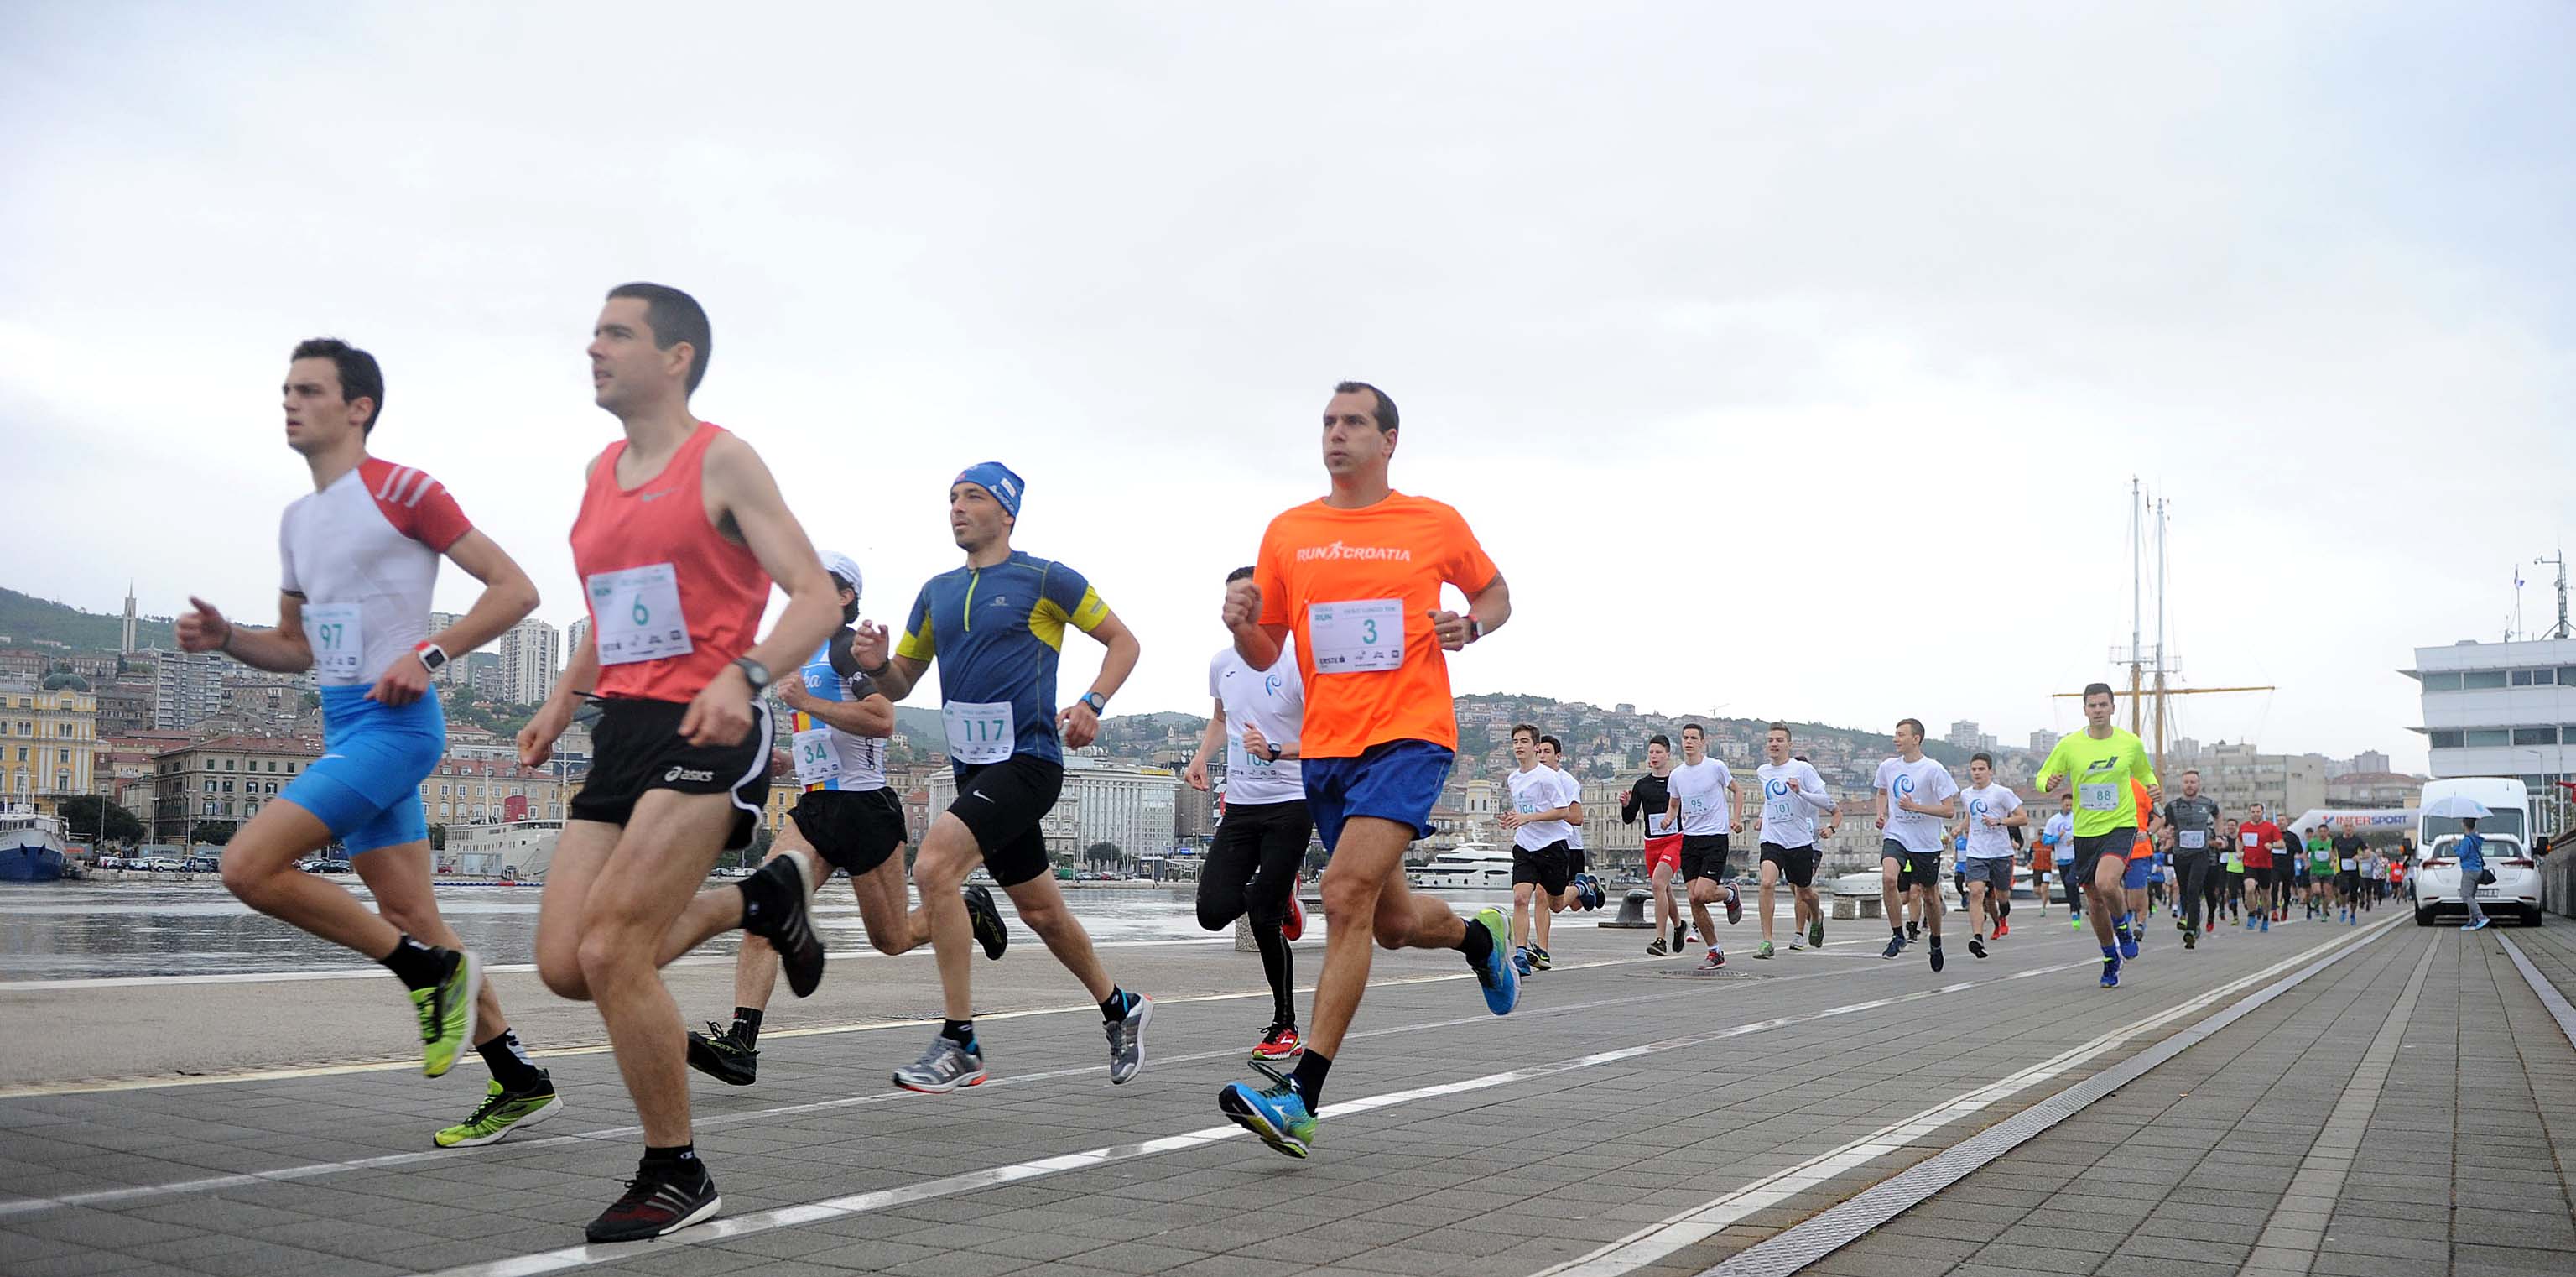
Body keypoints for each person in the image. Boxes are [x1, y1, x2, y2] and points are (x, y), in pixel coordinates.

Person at [518, 284, 845, 1241]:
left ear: (677, 358)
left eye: (616, 333)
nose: (594, 347)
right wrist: (557, 700)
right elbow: (611, 613)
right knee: (564, 963)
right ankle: (761, 901)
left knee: (614, 944)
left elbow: (815, 598)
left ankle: (676, 1169)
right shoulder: (597, 473)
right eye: (593, 332)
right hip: (621, 729)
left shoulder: (723, 460)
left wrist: (745, 676)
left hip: (711, 727)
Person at [181, 336, 559, 1150]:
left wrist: (429, 656)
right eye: (284, 389)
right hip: (344, 724)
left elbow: (517, 589)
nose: (289, 402)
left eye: (308, 390)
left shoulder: (406, 489)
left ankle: (425, 975)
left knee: (247, 865)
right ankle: (519, 1078)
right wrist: (226, 640)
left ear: (358, 409)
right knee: (412, 911)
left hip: (397, 730)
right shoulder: (296, 523)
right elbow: (294, 647)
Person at [1215, 380, 1517, 1160]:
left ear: (1387, 440)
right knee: (1386, 923)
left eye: (1352, 422)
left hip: (1410, 735)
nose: (1335, 434)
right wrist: (1246, 625)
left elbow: (1494, 590)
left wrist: (1471, 624)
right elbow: (1266, 650)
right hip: (1328, 749)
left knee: (1342, 893)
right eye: (1326, 422)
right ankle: (1480, 940)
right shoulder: (1288, 531)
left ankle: (1300, 1098)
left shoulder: (1431, 520)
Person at [851, 461, 1150, 1095]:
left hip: (1029, 761)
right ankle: (1119, 1005)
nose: (957, 507)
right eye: (952, 497)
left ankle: (960, 1041)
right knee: (1041, 912)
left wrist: (1092, 704)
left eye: (973, 497)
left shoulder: (1044, 578)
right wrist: (877, 667)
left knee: (933, 868)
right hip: (973, 772)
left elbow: (1123, 641)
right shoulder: (934, 591)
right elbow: (903, 680)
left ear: (1007, 512)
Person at [685, 554, 1005, 1087]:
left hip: (864, 810)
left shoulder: (846, 647)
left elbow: (882, 720)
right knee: (764, 911)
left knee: (893, 938)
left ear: (845, 598)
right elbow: (823, 727)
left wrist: (807, 700)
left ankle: (967, 909)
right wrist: (792, 756)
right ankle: (741, 1045)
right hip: (812, 810)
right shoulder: (800, 650)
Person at [1183, 567, 1311, 1061]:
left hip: (1290, 805)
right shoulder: (1222, 664)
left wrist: (1278, 749)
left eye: (1243, 601)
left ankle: (1285, 1024)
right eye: (1228, 601)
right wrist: (1200, 757)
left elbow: (1328, 736)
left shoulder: (1299, 661)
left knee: (1260, 916)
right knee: (1212, 913)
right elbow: (1220, 718)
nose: (1232, 611)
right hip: (1239, 807)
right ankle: (1281, 901)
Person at [2036, 683, 2161, 988]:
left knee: (2107, 883)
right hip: (2086, 830)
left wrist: (2154, 788)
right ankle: (2109, 957)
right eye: (2092, 706)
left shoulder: (2129, 743)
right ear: (2085, 710)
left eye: (2103, 705)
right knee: (2094, 900)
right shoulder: (2070, 745)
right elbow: (2042, 777)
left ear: (2112, 707)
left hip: (2120, 825)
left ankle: (2123, 928)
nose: (2098, 710)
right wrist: (2047, 784)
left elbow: (2144, 773)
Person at [1875, 718, 1959, 970]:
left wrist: (1915, 807)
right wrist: (1881, 814)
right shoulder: (1888, 767)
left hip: (1925, 842)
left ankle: (1935, 941)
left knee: (1930, 897)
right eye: (1895, 734)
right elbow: (1881, 792)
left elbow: (1949, 811)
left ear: (1916, 738)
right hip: (1897, 834)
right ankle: (1898, 935)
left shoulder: (1933, 769)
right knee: (1889, 878)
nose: (1895, 739)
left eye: (1901, 735)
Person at [1751, 724, 1837, 957]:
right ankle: (1767, 941)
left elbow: (1825, 799)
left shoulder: (1802, 769)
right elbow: (1770, 801)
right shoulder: (1762, 771)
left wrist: (1801, 792)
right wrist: (1761, 818)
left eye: (1779, 740)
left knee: (1805, 893)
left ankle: (1816, 917)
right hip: (1772, 838)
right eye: (1770, 740)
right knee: (1767, 882)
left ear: (1789, 744)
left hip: (1799, 841)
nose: (1774, 744)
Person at [1668, 722, 1747, 971]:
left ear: (1703, 742)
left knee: (1702, 893)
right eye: (1685, 738)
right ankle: (1715, 952)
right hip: (1690, 840)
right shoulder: (1677, 774)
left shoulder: (1715, 767)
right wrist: (1669, 818)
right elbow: (1674, 803)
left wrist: (1735, 818)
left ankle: (1730, 893)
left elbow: (1738, 791)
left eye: (1693, 738)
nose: (1689, 741)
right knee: (1694, 898)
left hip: (1715, 837)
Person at [1504, 725, 1579, 975]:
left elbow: (1563, 811)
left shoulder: (1547, 777)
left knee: (1556, 904)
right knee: (1520, 898)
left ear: (1535, 747)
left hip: (1552, 848)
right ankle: (1522, 954)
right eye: (1515, 741)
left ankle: (1581, 888)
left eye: (1524, 741)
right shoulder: (1513, 778)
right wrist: (1512, 819)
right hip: (1525, 847)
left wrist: (1530, 818)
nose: (1518, 746)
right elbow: (1523, 811)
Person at [1953, 753, 2024, 960]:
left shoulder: (2002, 793)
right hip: (1976, 852)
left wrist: (1999, 821)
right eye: (1973, 769)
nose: (1977, 773)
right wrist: (1960, 827)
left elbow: (2023, 818)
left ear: (1990, 771)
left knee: (2002, 896)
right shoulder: (1966, 794)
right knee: (1976, 892)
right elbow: (1970, 816)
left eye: (1981, 769)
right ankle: (1977, 938)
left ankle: (2004, 910)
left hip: (2001, 853)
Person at [1620, 736, 1684, 955]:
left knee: (1657, 885)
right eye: (1651, 753)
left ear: (1668, 755)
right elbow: (1629, 818)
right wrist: (1626, 805)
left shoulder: (1677, 781)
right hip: (1652, 843)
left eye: (1658, 752)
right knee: (1665, 890)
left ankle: (1660, 939)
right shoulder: (1642, 785)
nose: (1654, 756)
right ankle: (1679, 926)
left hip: (1675, 840)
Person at [1541, 736, 1601, 914]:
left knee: (1575, 905)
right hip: (1545, 845)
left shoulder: (1567, 782)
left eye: (1547, 752)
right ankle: (1541, 942)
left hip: (1570, 846)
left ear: (1558, 756)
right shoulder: (1535, 779)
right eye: (1539, 752)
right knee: (1542, 897)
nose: (1542, 756)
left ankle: (1589, 884)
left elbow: (1577, 818)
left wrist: (1550, 812)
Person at [2162, 771, 2220, 949]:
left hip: (2201, 854)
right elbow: (2167, 826)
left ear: (2198, 785)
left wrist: (2220, 834)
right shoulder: (2173, 806)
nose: (2189, 785)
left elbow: (2219, 817)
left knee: (2193, 889)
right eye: (2186, 782)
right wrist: (2166, 835)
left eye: (2193, 782)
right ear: (2182, 785)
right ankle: (2191, 921)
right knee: (2185, 891)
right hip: (2180, 854)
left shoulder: (2208, 803)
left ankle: (2190, 929)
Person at [2237, 803, 2283, 934]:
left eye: (2258, 812)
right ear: (2249, 813)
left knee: (2265, 894)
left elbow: (2281, 843)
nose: (2255, 814)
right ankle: (2251, 914)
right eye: (2253, 811)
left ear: (2262, 813)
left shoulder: (2270, 828)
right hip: (2249, 863)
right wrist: (2239, 851)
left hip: (2265, 865)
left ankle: (2265, 917)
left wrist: (2272, 845)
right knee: (2249, 888)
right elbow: (2239, 840)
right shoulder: (2244, 827)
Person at [2045, 790, 2079, 925]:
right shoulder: (2053, 821)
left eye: (2071, 805)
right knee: (2067, 885)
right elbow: (2045, 840)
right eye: (2066, 805)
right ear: (2061, 804)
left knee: (2071, 881)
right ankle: (2074, 907)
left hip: (2075, 857)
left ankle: (2075, 909)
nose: (2069, 808)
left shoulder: (2077, 818)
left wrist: (2075, 839)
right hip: (2061, 858)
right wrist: (2057, 837)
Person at [2455, 818, 2492, 931]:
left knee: (2466, 896)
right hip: (2477, 870)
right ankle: (2473, 921)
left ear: (2464, 825)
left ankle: (2480, 917)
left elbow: (2462, 854)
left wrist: (2455, 845)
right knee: (2471, 896)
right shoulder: (2476, 839)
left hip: (2469, 871)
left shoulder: (2467, 840)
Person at [2332, 827, 2367, 924]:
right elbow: (2331, 851)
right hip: (2341, 870)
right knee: (2343, 889)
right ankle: (2344, 908)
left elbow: (2367, 853)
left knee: (2353, 895)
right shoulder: (2336, 840)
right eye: (2346, 826)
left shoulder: (2358, 840)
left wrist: (2360, 857)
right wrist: (2333, 860)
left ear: (2353, 829)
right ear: (2343, 828)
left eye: (2350, 826)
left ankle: (2352, 914)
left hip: (2355, 871)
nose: (2348, 829)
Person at [2304, 826, 2335, 919]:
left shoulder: (2332, 843)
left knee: (2326, 892)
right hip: (2315, 871)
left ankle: (2324, 913)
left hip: (2328, 871)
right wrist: (2307, 862)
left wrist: (2333, 861)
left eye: (2324, 831)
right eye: (2320, 831)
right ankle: (2317, 899)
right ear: (2317, 832)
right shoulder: (2312, 843)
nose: (2322, 833)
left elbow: (2335, 854)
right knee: (2317, 890)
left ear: (2328, 832)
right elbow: (2305, 853)